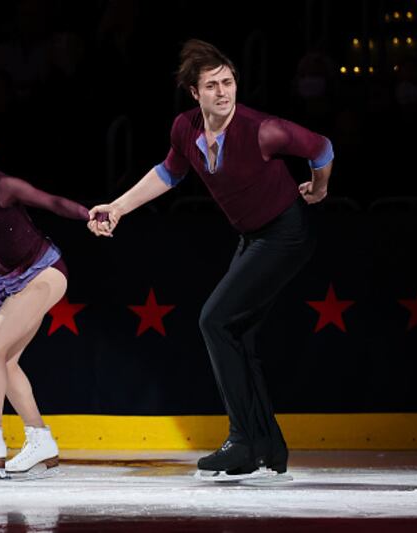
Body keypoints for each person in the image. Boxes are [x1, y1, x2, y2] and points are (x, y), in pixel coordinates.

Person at [88, 40, 333, 475]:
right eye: (212, 85)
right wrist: (119, 207)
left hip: (285, 234)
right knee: (238, 335)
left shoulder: (262, 129)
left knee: (214, 320)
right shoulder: (185, 129)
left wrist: (319, 188)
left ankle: (242, 441)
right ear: (194, 93)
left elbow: (321, 147)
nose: (224, 92)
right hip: (254, 236)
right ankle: (267, 447)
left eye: (229, 82)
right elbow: (168, 172)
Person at [0, 120, 91, 476]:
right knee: (5, 361)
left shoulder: (4, 186)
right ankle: (41, 441)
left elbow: (51, 201)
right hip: (13, 279)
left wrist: (90, 214)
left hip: (45, 271)